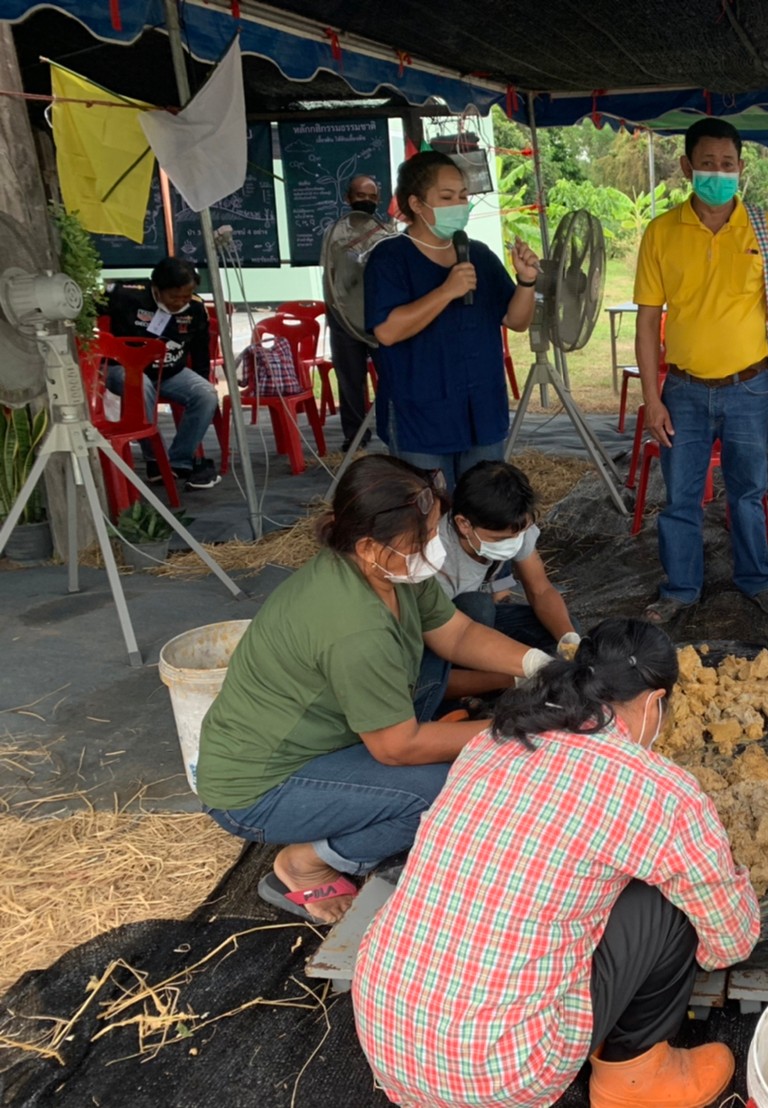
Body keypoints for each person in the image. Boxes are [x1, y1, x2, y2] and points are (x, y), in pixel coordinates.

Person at [355, 618, 760, 1108]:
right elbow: (730, 939)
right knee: (673, 900)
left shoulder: (493, 742)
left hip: (387, 1031)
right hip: (500, 1072)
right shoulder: (659, 790)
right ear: (654, 702)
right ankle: (636, 1081)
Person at [195, 456, 554, 924]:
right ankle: (307, 863)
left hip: (323, 744)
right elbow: (397, 748)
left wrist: (537, 663)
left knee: (449, 718)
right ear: (368, 545)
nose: (434, 545)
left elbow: (458, 634)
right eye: (423, 537)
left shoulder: (393, 571)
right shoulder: (354, 627)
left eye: (431, 531)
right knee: (448, 788)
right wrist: (519, 726)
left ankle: (355, 814)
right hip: (258, 788)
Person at [633, 116, 768, 625]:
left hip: (750, 389)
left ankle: (758, 579)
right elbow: (647, 323)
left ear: (740, 168)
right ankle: (680, 590)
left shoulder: (765, 228)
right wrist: (652, 396)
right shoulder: (661, 232)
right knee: (680, 498)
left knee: (749, 492)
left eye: (727, 164)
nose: (717, 172)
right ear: (687, 167)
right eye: (706, 164)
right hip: (682, 391)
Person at [365, 151, 540, 488]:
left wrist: (527, 281)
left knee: (484, 510)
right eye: (447, 197)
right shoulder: (390, 257)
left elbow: (516, 320)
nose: (459, 205)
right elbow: (387, 331)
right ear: (416, 204)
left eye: (462, 196)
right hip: (421, 416)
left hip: (482, 412)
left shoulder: (479, 255)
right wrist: (446, 291)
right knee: (430, 517)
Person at [416, 459, 580, 709]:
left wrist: (569, 640)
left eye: (519, 533)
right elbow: (439, 650)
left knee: (564, 629)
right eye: (500, 539)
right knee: (476, 606)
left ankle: (492, 689)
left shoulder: (514, 525)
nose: (513, 542)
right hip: (435, 640)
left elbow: (541, 589)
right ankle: (468, 697)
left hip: (471, 629)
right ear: (463, 524)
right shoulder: (436, 559)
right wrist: (516, 676)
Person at [104, 256, 222, 489]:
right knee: (142, 385)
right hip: (125, 370)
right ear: (156, 289)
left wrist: (201, 376)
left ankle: (179, 461)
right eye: (173, 297)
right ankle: (155, 461)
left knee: (206, 394)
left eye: (185, 296)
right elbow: (87, 312)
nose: (180, 302)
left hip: (170, 372)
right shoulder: (125, 295)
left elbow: (200, 351)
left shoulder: (196, 308)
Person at [322, 173, 386, 452]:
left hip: (380, 315)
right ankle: (356, 434)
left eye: (372, 197)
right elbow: (331, 276)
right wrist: (339, 311)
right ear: (348, 198)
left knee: (392, 373)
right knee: (350, 378)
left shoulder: (388, 231)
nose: (367, 201)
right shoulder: (334, 233)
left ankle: (392, 425)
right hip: (343, 315)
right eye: (361, 196)